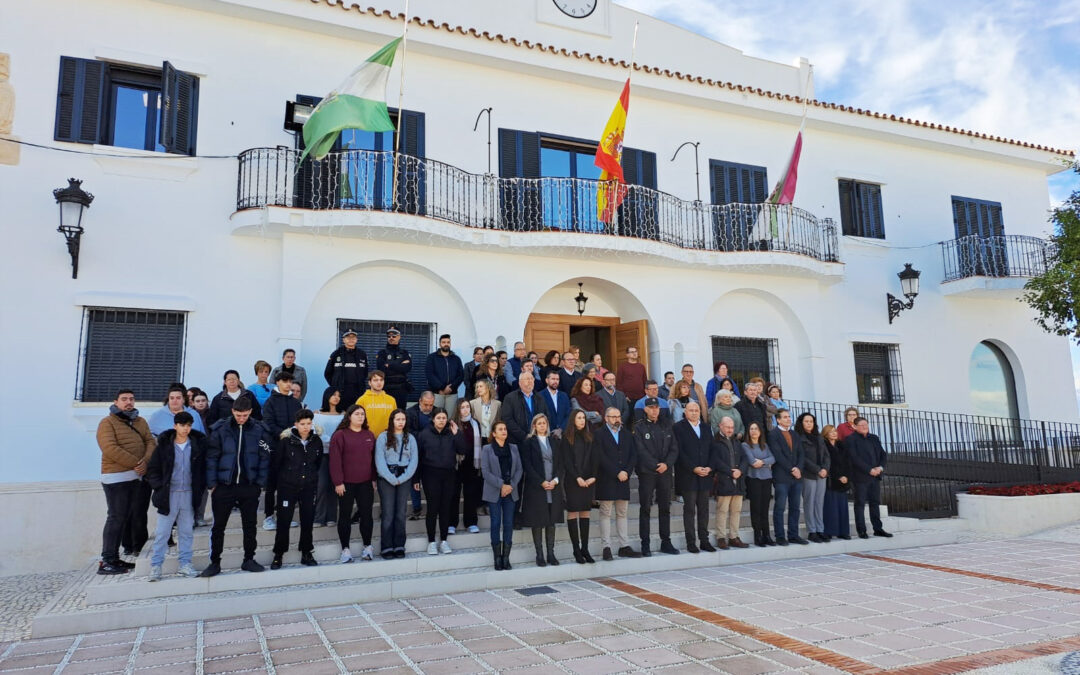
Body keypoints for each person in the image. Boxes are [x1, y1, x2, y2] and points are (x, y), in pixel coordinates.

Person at [202, 397, 272, 577]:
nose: (242, 418)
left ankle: (249, 559)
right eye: (239, 415)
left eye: (245, 415)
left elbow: (265, 456)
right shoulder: (220, 429)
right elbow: (211, 457)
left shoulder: (259, 430)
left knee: (250, 525)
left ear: (250, 413)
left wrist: (260, 483)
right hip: (224, 485)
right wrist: (212, 484)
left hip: (249, 485)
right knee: (219, 526)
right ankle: (215, 562)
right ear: (233, 411)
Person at [96, 389, 155, 575]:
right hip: (116, 478)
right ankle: (107, 559)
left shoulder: (140, 421)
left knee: (128, 517)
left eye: (131, 399)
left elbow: (150, 442)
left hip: (136, 477)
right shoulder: (107, 423)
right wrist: (137, 464)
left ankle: (116, 558)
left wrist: (145, 463)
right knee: (116, 517)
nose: (128, 402)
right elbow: (109, 448)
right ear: (116, 401)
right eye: (124, 399)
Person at [145, 411, 205, 580]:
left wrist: (201, 487)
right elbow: (153, 469)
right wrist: (158, 486)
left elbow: (202, 469)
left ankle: (185, 564)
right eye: (182, 425)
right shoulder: (165, 446)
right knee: (163, 533)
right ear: (175, 426)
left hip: (188, 494)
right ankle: (156, 566)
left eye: (188, 425)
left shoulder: (197, 445)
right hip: (169, 495)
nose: (185, 429)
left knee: (186, 532)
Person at [270, 409, 322, 569]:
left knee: (307, 520)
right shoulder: (286, 442)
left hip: (308, 487)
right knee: (284, 521)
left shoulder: (316, 441)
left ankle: (306, 552)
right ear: (296, 425)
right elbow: (276, 464)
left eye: (308, 424)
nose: (306, 427)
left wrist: (312, 478)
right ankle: (278, 553)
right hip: (288, 487)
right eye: (302, 424)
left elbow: (317, 463)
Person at [330, 405, 376, 563]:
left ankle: (368, 547)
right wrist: (338, 481)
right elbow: (334, 460)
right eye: (357, 414)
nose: (360, 417)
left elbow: (373, 460)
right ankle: (345, 550)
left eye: (363, 414)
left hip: (365, 483)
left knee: (367, 515)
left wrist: (374, 479)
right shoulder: (340, 435)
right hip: (345, 484)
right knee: (344, 515)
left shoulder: (369, 434)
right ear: (349, 416)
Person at [633, 397, 678, 556]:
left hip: (665, 473)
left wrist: (667, 464)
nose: (654, 410)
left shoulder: (667, 425)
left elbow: (674, 448)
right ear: (645, 409)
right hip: (647, 473)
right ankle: (645, 544)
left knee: (665, 508)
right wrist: (655, 465)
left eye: (656, 407)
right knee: (645, 508)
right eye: (651, 407)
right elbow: (640, 450)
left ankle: (666, 542)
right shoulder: (639, 427)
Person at [520, 414, 565, 567]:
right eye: (539, 423)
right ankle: (540, 555)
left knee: (551, 521)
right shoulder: (529, 442)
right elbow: (527, 465)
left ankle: (551, 554)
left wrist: (555, 480)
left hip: (553, 486)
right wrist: (541, 481)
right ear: (534, 426)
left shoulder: (554, 441)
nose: (542, 426)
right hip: (537, 487)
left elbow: (560, 463)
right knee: (537, 521)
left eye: (544, 423)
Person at [595, 407, 639, 560]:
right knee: (605, 513)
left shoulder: (626, 434)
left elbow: (633, 454)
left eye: (618, 416)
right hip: (607, 478)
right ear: (606, 418)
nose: (616, 419)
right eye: (613, 417)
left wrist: (626, 471)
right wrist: (616, 472)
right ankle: (606, 546)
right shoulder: (599, 434)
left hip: (624, 479)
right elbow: (600, 457)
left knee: (622, 513)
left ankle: (623, 545)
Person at [672, 401, 716, 553]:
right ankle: (691, 542)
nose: (694, 412)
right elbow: (679, 451)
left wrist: (710, 467)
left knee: (704, 509)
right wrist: (693, 468)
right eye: (691, 410)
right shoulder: (678, 428)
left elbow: (712, 449)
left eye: (697, 410)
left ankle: (704, 540)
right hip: (688, 475)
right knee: (689, 509)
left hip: (705, 475)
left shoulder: (705, 427)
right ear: (685, 412)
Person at [261, 371, 302, 531]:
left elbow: (300, 422)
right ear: (277, 382)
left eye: (289, 381)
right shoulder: (270, 402)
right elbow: (268, 423)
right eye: (284, 381)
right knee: (272, 484)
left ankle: (285, 515)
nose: (287, 384)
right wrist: (284, 433)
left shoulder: (295, 402)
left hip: (293, 449)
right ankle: (269, 516)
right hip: (275, 447)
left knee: (288, 484)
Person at [416, 409, 459, 555]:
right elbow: (418, 457)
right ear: (433, 419)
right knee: (433, 508)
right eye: (439, 417)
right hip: (430, 474)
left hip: (448, 474)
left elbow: (462, 449)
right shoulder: (424, 434)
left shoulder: (451, 433)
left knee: (445, 508)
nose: (441, 420)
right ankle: (431, 541)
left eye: (444, 418)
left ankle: (444, 540)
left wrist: (457, 434)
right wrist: (416, 478)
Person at [374, 409, 417, 558]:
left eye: (403, 419)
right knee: (388, 513)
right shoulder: (382, 437)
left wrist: (403, 478)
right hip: (386, 477)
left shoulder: (410, 438)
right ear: (392, 420)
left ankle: (399, 545)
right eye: (397, 419)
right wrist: (391, 478)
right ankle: (386, 546)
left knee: (400, 513)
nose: (400, 422)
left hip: (404, 477)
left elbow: (414, 461)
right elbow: (379, 461)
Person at [481, 420, 522, 570]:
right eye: (500, 429)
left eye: (505, 429)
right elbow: (485, 472)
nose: (504, 431)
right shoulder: (486, 449)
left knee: (509, 524)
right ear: (493, 433)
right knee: (496, 523)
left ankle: (506, 557)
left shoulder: (514, 448)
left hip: (511, 491)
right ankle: (497, 558)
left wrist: (510, 485)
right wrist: (501, 485)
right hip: (494, 492)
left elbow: (519, 470)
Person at [845, 416, 891, 538]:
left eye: (866, 424)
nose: (865, 427)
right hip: (860, 477)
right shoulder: (851, 440)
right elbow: (854, 458)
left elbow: (883, 454)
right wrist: (868, 469)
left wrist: (880, 467)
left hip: (875, 476)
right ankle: (862, 530)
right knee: (860, 503)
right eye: (861, 425)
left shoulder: (874, 438)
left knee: (875, 502)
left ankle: (878, 528)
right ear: (854, 427)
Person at [767, 409, 807, 546]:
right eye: (785, 417)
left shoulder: (794, 434)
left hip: (796, 477)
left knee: (795, 507)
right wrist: (791, 469)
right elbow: (777, 455)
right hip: (782, 476)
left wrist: (799, 468)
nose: (788, 419)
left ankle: (793, 535)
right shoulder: (773, 434)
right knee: (780, 507)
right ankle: (780, 536)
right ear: (778, 420)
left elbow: (801, 453)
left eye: (789, 417)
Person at [562, 410, 597, 564]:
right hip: (573, 481)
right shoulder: (567, 438)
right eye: (579, 418)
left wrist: (593, 477)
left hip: (588, 481)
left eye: (583, 418)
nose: (582, 421)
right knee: (573, 512)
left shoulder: (590, 437)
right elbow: (567, 461)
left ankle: (585, 548)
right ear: (573, 420)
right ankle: (576, 549)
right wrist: (577, 477)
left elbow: (595, 458)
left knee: (585, 513)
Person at [711, 417, 749, 550]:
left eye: (732, 428)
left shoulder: (737, 441)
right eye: (727, 427)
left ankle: (734, 537)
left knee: (736, 510)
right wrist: (730, 471)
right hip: (724, 480)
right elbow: (716, 461)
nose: (730, 430)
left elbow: (745, 458)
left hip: (738, 481)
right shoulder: (715, 442)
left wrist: (740, 471)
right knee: (722, 510)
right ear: (720, 426)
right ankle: (721, 537)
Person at [796, 412, 830, 543]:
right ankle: (812, 531)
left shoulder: (819, 437)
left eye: (811, 421)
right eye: (806, 421)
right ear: (801, 423)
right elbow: (802, 457)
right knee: (809, 503)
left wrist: (825, 469)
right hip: (808, 474)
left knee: (819, 502)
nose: (809, 423)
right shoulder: (799, 437)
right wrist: (817, 469)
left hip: (822, 475)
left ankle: (820, 529)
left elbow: (827, 455)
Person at [313, 388, 344, 527]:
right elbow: (316, 433)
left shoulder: (343, 415)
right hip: (323, 454)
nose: (336, 397)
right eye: (334, 395)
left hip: (338, 455)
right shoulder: (317, 414)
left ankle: (331, 517)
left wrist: (335, 444)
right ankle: (318, 517)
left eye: (338, 395)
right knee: (321, 485)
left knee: (334, 485)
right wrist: (331, 441)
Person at [451, 400, 483, 534]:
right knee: (454, 495)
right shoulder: (452, 424)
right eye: (462, 407)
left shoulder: (475, 423)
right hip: (456, 464)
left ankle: (471, 522)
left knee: (471, 494)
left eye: (467, 407)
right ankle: (451, 523)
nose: (465, 409)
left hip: (472, 463)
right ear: (458, 409)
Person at [742, 421, 775, 547]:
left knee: (765, 509)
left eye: (756, 429)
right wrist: (766, 463)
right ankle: (758, 536)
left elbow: (773, 458)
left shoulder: (764, 445)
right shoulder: (745, 445)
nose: (754, 431)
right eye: (751, 429)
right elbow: (751, 461)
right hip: (754, 479)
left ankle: (766, 535)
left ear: (760, 432)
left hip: (766, 479)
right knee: (756, 508)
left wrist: (761, 461)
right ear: (748, 431)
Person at [405, 391, 436, 520]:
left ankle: (433, 509)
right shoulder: (410, 413)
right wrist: (427, 435)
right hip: (415, 452)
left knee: (432, 483)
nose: (428, 408)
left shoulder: (437, 411)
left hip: (432, 454)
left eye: (431, 405)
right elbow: (408, 432)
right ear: (419, 401)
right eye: (426, 404)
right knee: (415, 483)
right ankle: (417, 508)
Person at [499, 372, 548, 447]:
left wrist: (538, 434)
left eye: (532, 379)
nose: (530, 381)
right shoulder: (510, 398)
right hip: (517, 441)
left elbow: (546, 416)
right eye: (527, 379)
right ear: (520, 383)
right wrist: (524, 436)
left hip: (537, 440)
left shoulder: (540, 398)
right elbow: (507, 419)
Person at [821, 424, 852, 541]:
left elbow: (847, 462)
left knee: (842, 507)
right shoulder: (824, 445)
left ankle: (843, 532)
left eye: (835, 431)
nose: (834, 433)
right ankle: (829, 531)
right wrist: (837, 476)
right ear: (826, 433)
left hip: (843, 480)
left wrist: (846, 476)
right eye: (831, 431)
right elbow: (827, 463)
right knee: (830, 507)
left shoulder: (841, 446)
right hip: (831, 480)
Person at [324, 329, 368, 406]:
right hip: (340, 393)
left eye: (353, 337)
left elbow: (365, 372)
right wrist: (336, 386)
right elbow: (327, 373)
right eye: (348, 337)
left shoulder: (362, 354)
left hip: (358, 392)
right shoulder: (336, 354)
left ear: (357, 339)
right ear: (343, 339)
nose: (351, 339)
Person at [375, 326, 412, 409]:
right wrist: (400, 365)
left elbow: (407, 368)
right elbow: (382, 370)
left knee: (400, 415)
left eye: (394, 336)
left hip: (401, 390)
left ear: (399, 337)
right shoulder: (382, 353)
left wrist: (390, 365)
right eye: (389, 336)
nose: (391, 338)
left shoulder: (404, 353)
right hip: (386, 389)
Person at [426, 334, 464, 413]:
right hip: (437, 393)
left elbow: (461, 375)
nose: (446, 344)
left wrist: (451, 387)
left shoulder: (456, 359)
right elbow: (430, 374)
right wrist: (442, 388)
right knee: (436, 416)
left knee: (450, 418)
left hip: (452, 394)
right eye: (443, 342)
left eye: (448, 342)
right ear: (440, 344)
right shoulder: (432, 357)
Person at [355, 370, 397, 438]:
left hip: (387, 438)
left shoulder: (391, 400)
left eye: (381, 380)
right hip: (367, 438)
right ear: (369, 383)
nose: (379, 382)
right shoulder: (362, 400)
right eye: (375, 380)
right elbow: (356, 421)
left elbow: (395, 420)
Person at [538, 370, 570, 435]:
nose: (555, 381)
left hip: (563, 433)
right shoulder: (539, 396)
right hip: (547, 433)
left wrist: (561, 429)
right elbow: (540, 415)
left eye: (557, 379)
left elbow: (568, 414)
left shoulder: (564, 395)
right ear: (547, 380)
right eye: (553, 379)